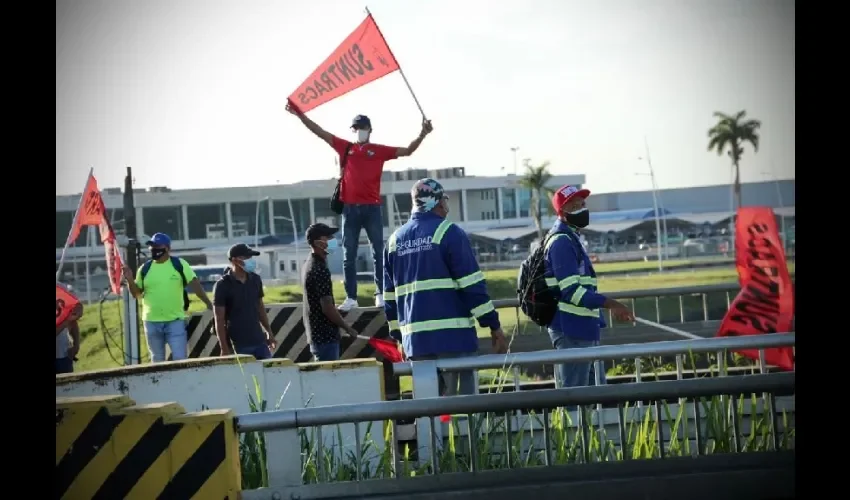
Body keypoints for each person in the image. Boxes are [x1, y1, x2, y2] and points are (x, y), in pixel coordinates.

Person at [286, 101, 433, 311]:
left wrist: (422, 134)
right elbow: (320, 131)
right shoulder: (346, 147)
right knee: (349, 255)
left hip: (372, 207)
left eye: (362, 128)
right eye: (355, 129)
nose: (359, 132)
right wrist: (300, 115)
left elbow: (407, 151)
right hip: (350, 209)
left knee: (378, 252)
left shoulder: (378, 150)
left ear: (370, 130)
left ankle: (380, 293)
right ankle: (351, 297)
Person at [383, 178, 508, 397]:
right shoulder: (450, 233)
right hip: (454, 339)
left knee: (430, 412)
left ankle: (433, 432)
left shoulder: (394, 241)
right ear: (439, 202)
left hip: (416, 343)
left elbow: (389, 298)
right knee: (466, 412)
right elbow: (472, 287)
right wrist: (493, 325)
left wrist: (398, 337)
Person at [544, 185, 634, 389]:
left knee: (595, 395)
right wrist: (610, 303)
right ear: (562, 212)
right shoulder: (560, 242)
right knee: (575, 399)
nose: (582, 209)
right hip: (571, 330)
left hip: (583, 328)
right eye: (574, 206)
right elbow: (571, 291)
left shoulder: (571, 238)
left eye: (583, 204)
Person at [124, 232, 213, 362]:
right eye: (152, 247)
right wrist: (130, 280)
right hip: (151, 321)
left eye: (157, 246)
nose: (154, 249)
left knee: (180, 359)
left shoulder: (179, 264)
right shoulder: (145, 268)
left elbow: (196, 287)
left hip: (175, 321)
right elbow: (136, 294)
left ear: (167, 248)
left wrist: (209, 304)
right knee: (157, 360)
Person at [302, 223, 358, 361]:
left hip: (317, 335)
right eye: (328, 237)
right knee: (329, 378)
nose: (333, 239)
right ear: (318, 242)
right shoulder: (319, 269)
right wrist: (347, 328)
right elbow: (327, 307)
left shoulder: (308, 264)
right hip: (325, 337)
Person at [212, 243, 277, 359]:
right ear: (235, 260)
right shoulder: (222, 285)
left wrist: (269, 332)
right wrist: (224, 348)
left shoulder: (255, 280)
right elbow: (219, 320)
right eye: (247, 258)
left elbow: (260, 308)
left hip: (259, 341)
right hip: (238, 344)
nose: (250, 261)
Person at [56, 295, 82, 375]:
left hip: (64, 357)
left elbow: (73, 320)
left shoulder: (62, 289)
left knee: (68, 386)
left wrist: (76, 344)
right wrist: (66, 322)